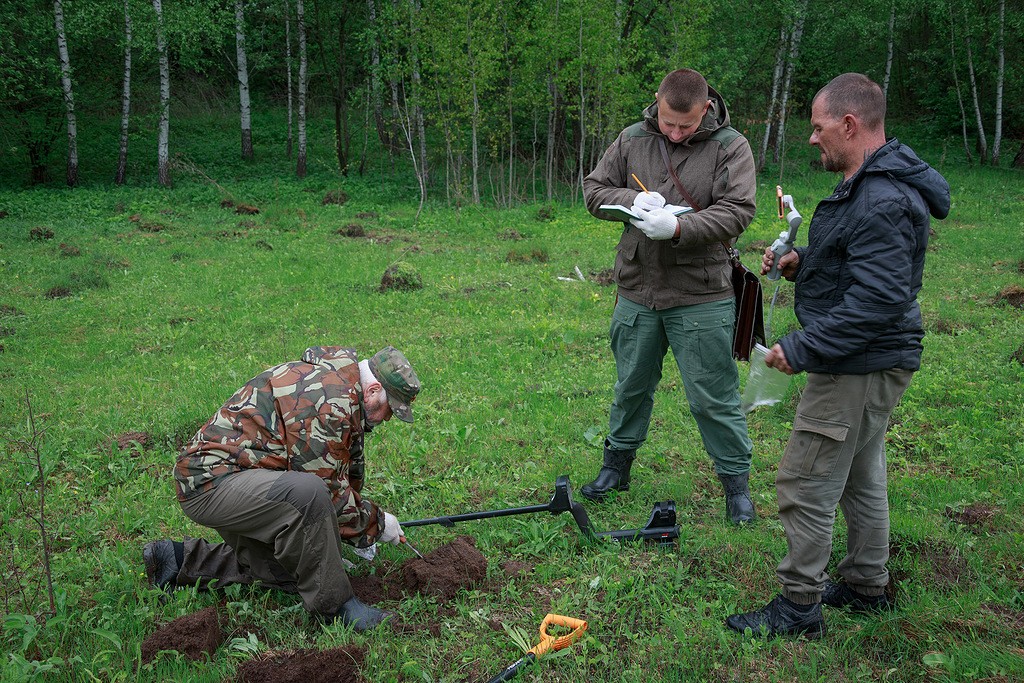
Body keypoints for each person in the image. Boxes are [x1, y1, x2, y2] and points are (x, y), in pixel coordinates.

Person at [726, 73, 950, 638]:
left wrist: (801, 347)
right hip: (871, 358)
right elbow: (863, 265)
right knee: (860, 475)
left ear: (849, 125)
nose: (812, 138)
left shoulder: (881, 197)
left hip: (858, 363)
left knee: (806, 480)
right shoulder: (871, 183)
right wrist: (806, 260)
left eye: (817, 126)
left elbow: (877, 300)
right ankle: (865, 582)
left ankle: (799, 607)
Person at [581, 68, 758, 524]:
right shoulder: (631, 139)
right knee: (631, 385)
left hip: (701, 293)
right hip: (638, 287)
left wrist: (679, 227)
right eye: (667, 122)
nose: (676, 133)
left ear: (707, 109)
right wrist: (629, 200)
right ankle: (615, 468)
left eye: (686, 124)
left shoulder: (731, 147)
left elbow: (738, 211)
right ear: (657, 102)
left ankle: (736, 487)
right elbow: (593, 190)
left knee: (712, 395)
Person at [143, 345, 421, 633]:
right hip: (210, 482)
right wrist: (376, 523)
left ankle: (175, 559)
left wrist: (338, 540)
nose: (389, 418)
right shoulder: (330, 398)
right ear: (373, 389)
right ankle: (337, 608)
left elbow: (343, 469)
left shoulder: (342, 384)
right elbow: (326, 489)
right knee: (309, 493)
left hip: (242, 476)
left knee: (296, 572)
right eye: (392, 409)